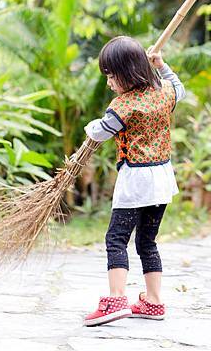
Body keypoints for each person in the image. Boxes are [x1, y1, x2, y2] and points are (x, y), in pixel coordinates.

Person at [82, 36, 186, 327]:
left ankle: (116, 299)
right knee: (147, 242)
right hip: (163, 179)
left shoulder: (123, 106)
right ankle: (153, 301)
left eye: (111, 76)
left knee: (116, 239)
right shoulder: (164, 92)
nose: (109, 83)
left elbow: (101, 132)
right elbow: (180, 89)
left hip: (136, 181)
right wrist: (163, 67)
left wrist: (89, 127)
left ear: (128, 72)